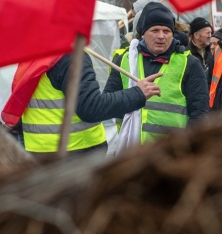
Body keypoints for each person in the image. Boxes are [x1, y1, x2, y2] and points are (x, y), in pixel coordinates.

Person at [21, 50, 161, 157]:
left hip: (39, 150)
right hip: (75, 152)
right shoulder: (71, 57)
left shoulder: (33, 56)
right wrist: (138, 93)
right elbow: (91, 108)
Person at [105, 1, 209, 144]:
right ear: (142, 34)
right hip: (130, 154)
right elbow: (107, 104)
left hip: (171, 155)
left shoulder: (189, 64)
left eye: (166, 31)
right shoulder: (125, 60)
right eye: (155, 30)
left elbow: (200, 115)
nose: (161, 36)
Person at [188, 17, 214, 87]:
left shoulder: (213, 51)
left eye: (211, 33)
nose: (210, 36)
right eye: (207, 33)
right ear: (196, 35)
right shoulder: (186, 53)